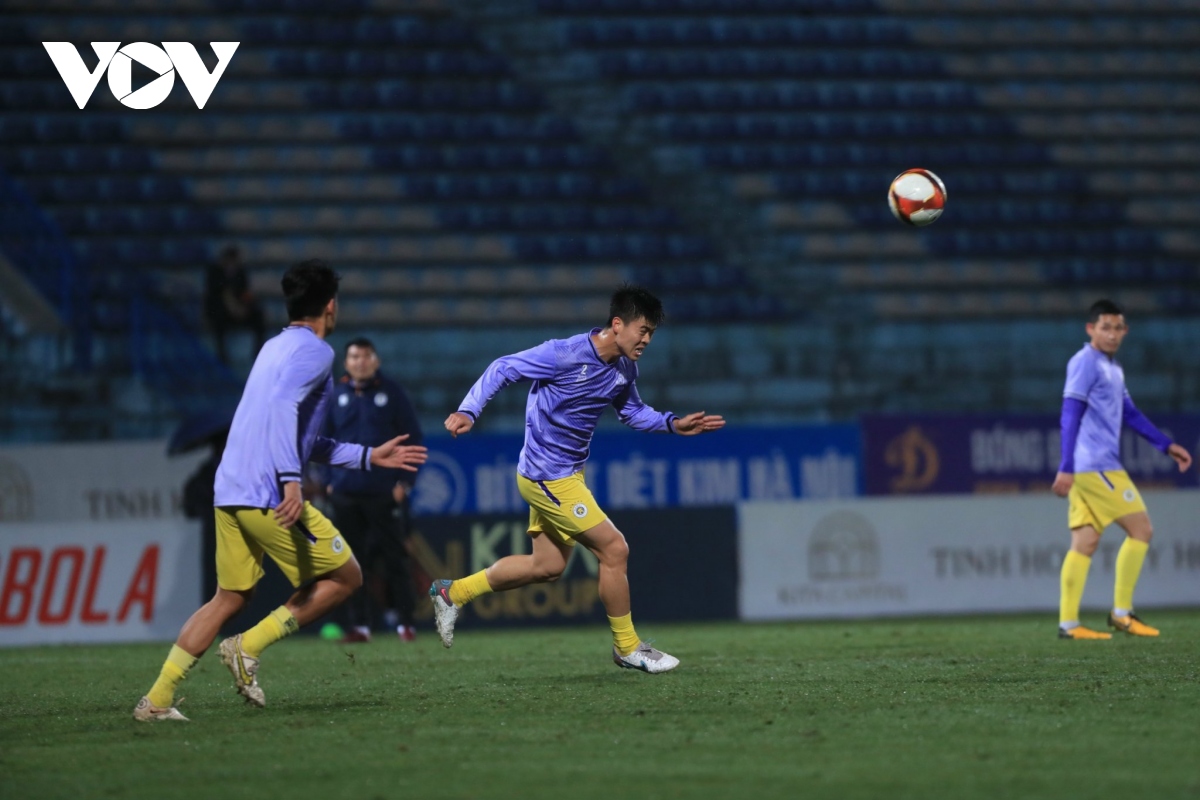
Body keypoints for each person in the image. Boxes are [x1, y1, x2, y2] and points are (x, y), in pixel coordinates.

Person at [133, 260, 428, 721]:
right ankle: (246, 647)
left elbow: (305, 437)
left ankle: (158, 698)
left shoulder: (273, 348)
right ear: (331, 306)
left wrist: (370, 457)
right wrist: (292, 483)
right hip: (266, 490)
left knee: (229, 597)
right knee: (347, 576)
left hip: (230, 488)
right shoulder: (315, 352)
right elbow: (284, 410)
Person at [428, 285, 725, 673]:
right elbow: (503, 367)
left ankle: (453, 592)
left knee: (547, 568)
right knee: (615, 550)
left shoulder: (624, 368)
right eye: (643, 330)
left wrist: (672, 423)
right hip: (546, 476)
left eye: (652, 333)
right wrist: (469, 410)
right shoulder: (563, 354)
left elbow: (632, 412)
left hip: (568, 475)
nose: (647, 340)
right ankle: (627, 646)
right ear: (617, 324)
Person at [1052, 299, 1192, 640]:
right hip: (1095, 466)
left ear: (1125, 331)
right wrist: (1066, 466)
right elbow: (1069, 414)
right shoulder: (1085, 362)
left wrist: (1165, 444)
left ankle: (1069, 624)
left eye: (1118, 328)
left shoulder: (1112, 368)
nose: (1112, 334)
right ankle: (1122, 614)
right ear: (1091, 329)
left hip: (1090, 467)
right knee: (1142, 530)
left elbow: (1129, 412)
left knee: (1084, 542)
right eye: (1105, 327)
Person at [324, 337, 423, 643]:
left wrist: (405, 483)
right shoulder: (334, 395)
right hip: (345, 493)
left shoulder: (391, 393)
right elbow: (320, 442)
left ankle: (406, 624)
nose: (361, 362)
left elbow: (413, 439)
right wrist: (329, 481)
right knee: (352, 564)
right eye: (354, 356)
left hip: (383, 491)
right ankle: (360, 626)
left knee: (396, 560)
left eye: (366, 356)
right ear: (346, 362)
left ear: (376, 361)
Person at [205, 244, 266, 365]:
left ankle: (257, 352)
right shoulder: (214, 272)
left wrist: (243, 307)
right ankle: (221, 356)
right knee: (218, 320)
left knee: (259, 315)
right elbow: (216, 294)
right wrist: (231, 307)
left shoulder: (241, 271)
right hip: (222, 311)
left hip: (240, 310)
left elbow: (245, 292)